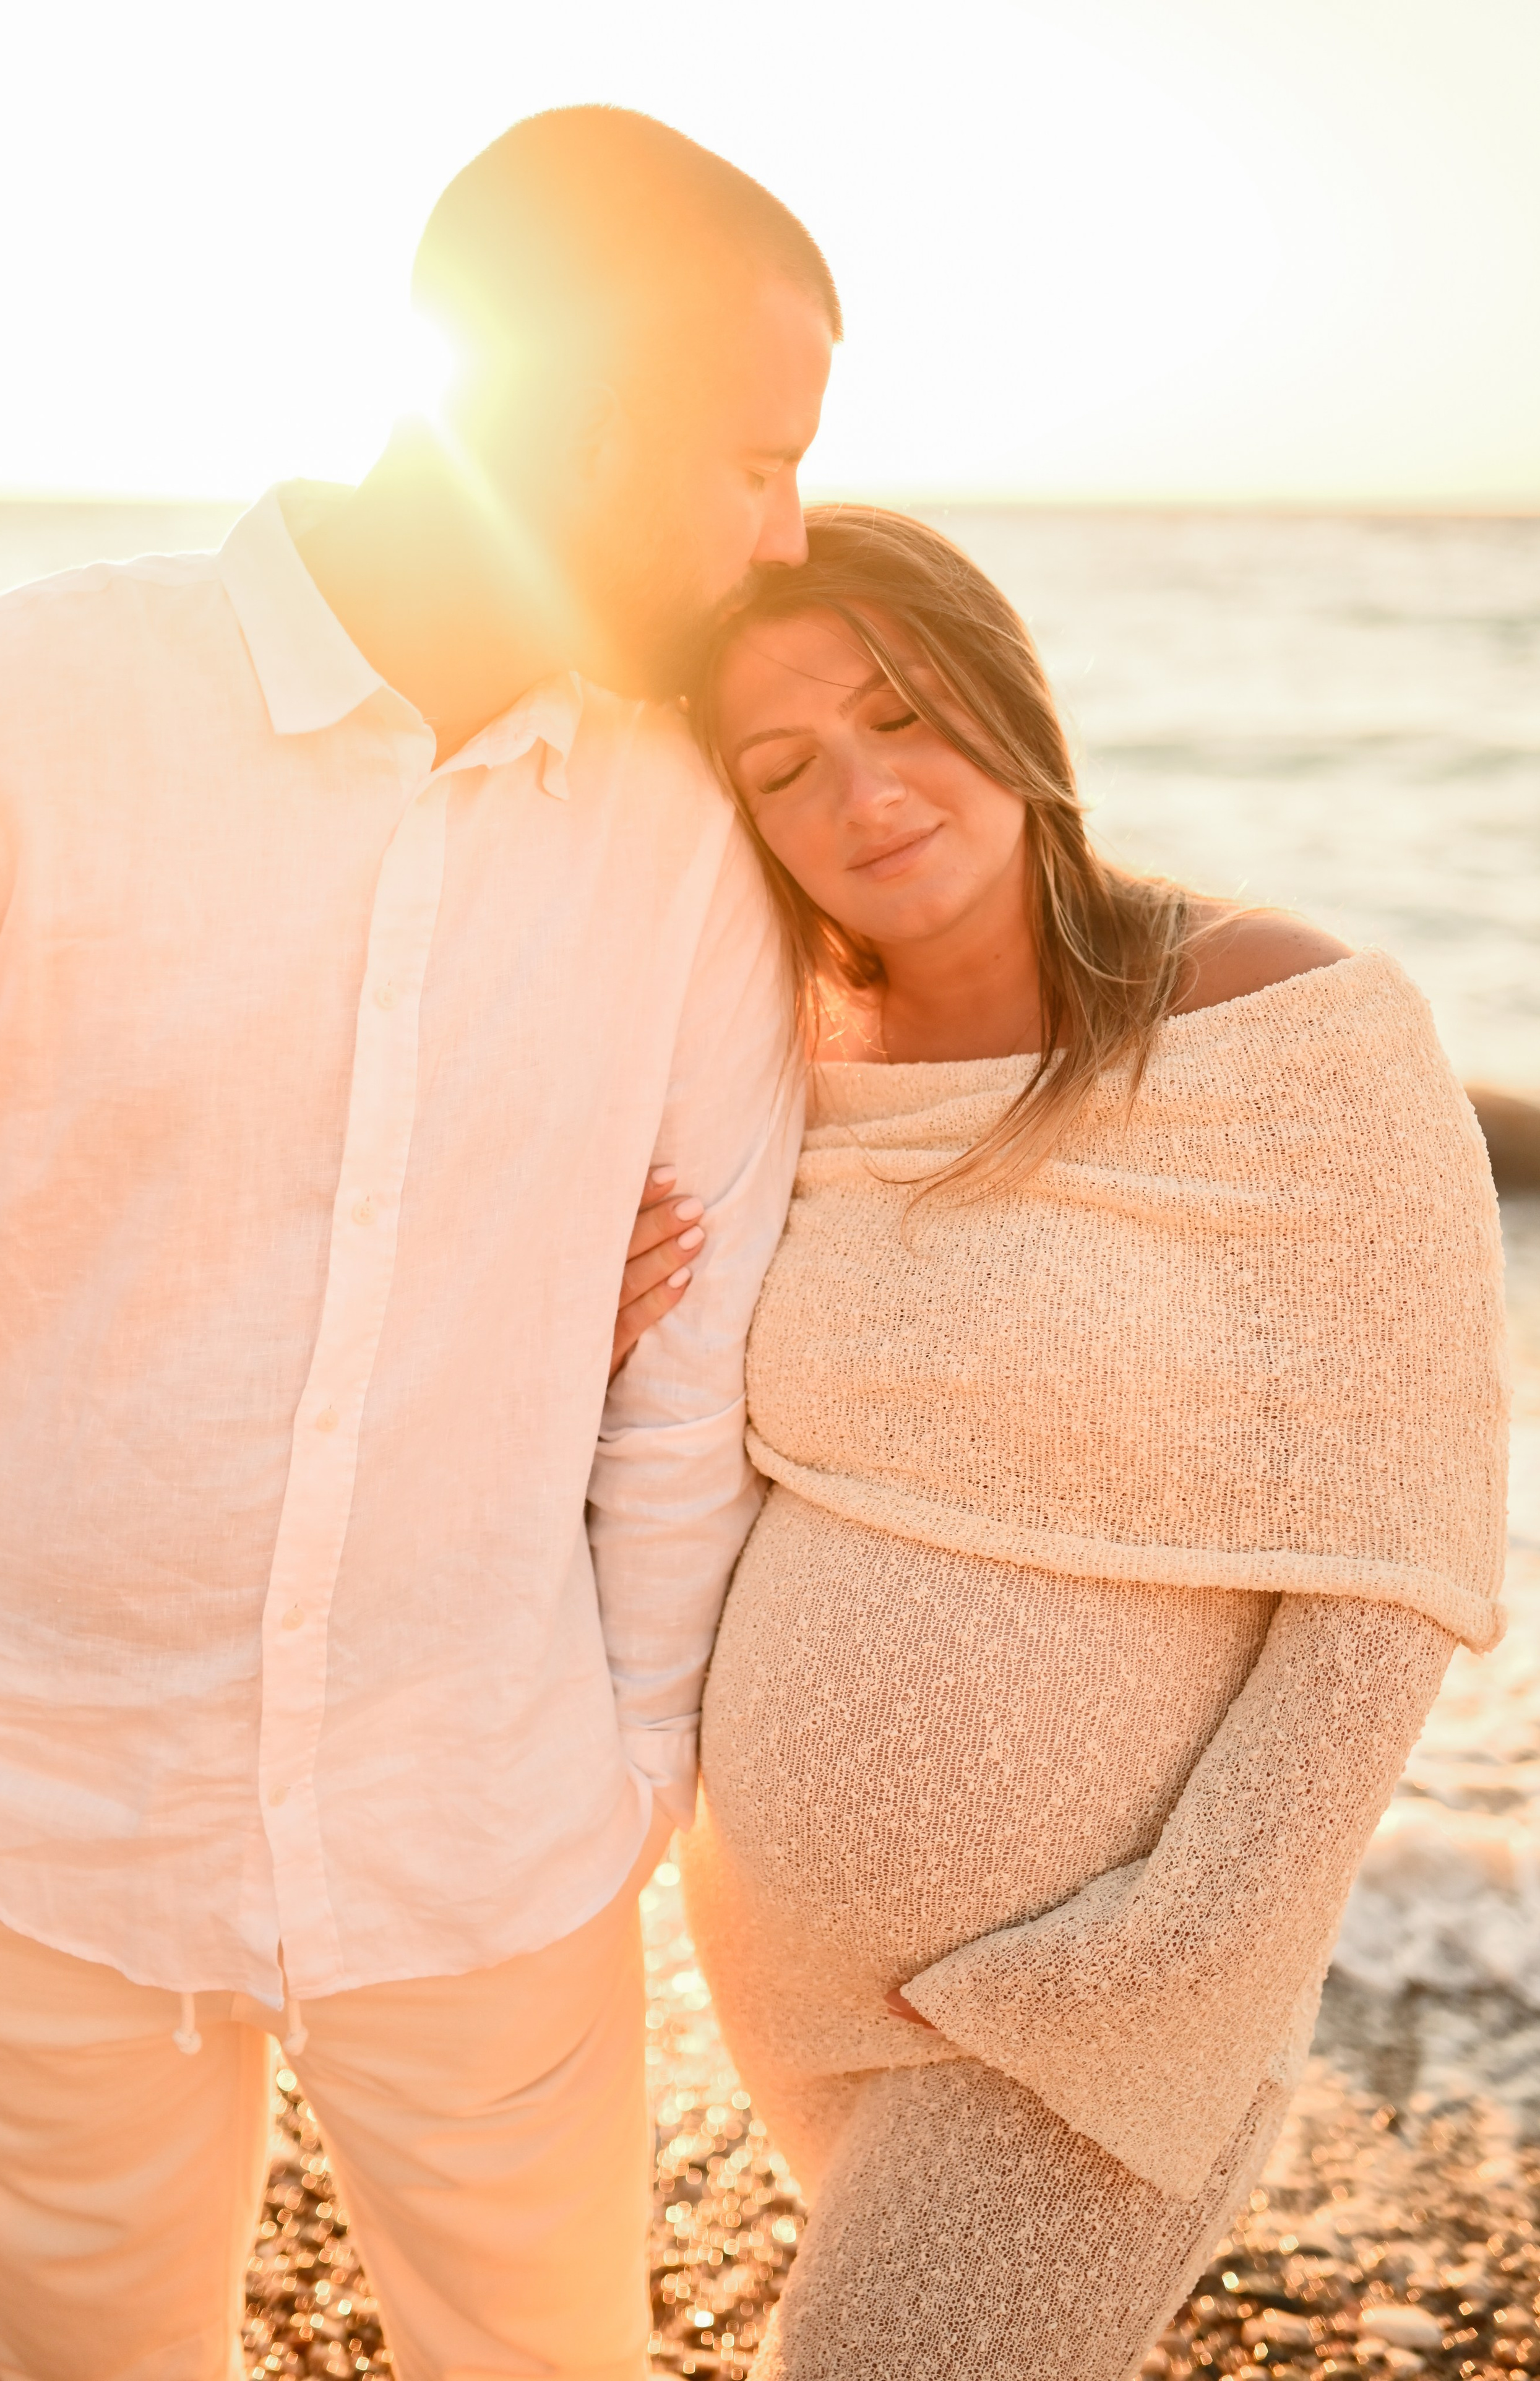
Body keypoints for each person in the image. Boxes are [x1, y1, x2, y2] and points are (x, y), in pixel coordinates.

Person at [0, 108, 837, 2381]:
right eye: (755, 459)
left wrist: (627, 1763)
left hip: (489, 1817)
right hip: (31, 1810)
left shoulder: (673, 825)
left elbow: (702, 1326)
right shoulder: (25, 718)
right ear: (575, 419)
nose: (790, 525)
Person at [633, 507, 1507, 2380]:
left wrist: (1164, 1957)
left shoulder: (1295, 1026)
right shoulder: (771, 1058)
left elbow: (1402, 1549)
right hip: (795, 1981)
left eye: (903, 712)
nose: (865, 792)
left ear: (1006, 693)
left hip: (1093, 2002)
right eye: (785, 767)